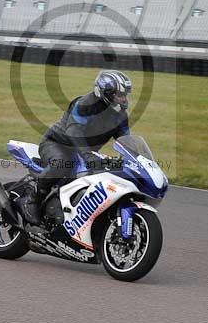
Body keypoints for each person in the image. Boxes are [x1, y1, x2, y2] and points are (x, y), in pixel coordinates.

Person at [17, 70, 132, 225]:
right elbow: (74, 131)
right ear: (105, 93)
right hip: (56, 144)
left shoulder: (120, 116)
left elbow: (126, 141)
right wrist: (88, 155)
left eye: (125, 95)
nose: (124, 99)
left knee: (107, 172)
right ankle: (32, 201)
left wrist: (132, 159)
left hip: (83, 151)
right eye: (119, 95)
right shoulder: (85, 104)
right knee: (62, 163)